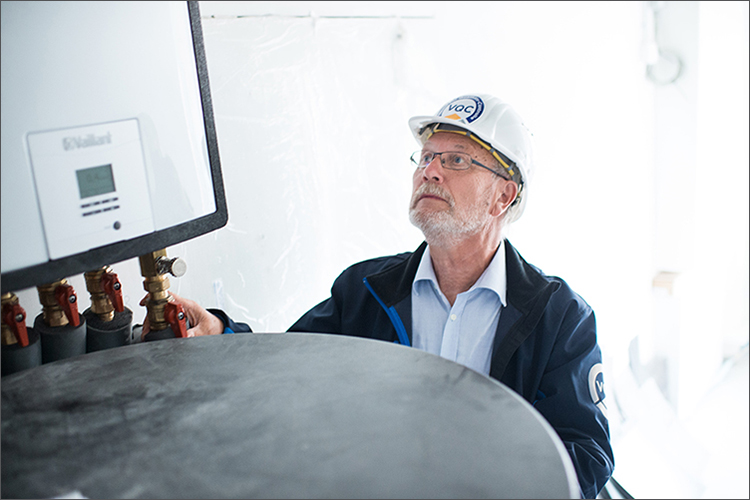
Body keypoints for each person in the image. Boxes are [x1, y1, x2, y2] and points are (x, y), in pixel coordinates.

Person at [145, 94, 614, 498]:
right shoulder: (365, 291)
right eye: (426, 157)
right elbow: (284, 370)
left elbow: (586, 457)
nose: (430, 171)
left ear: (504, 196)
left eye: (455, 160)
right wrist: (220, 335)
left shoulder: (559, 318)